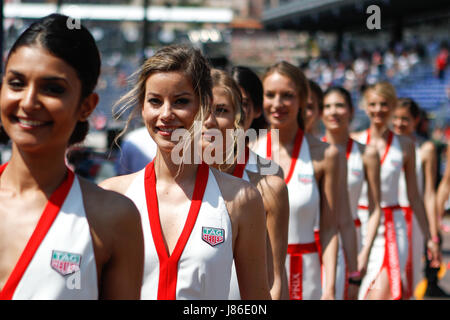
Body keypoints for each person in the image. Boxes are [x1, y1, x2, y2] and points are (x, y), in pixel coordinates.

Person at [100, 45, 271, 300]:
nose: (166, 114)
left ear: (204, 106)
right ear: (142, 107)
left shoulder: (241, 199)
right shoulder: (112, 196)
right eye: (155, 101)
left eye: (181, 101)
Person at [0, 14, 144, 300]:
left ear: (86, 106)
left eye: (53, 89)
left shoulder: (113, 218)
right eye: (16, 83)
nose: (28, 102)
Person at [251, 61, 339, 300]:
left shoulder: (325, 155)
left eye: (287, 96)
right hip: (257, 276)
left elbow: (330, 228)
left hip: (306, 276)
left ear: (302, 99)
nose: (277, 104)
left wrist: (330, 288)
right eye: (270, 95)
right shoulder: (246, 150)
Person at [203, 68, 289, 300]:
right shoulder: (177, 183)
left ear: (238, 117)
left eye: (221, 110)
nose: (209, 120)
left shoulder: (268, 183)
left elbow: (276, 278)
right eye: (203, 109)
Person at [352, 81, 439, 300]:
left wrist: (430, 237)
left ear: (391, 107)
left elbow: (415, 197)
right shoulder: (354, 141)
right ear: (365, 106)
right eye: (373, 104)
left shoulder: (405, 145)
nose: (378, 109)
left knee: (382, 292)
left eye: (384, 104)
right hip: (356, 225)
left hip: (391, 227)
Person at [321, 86, 383, 300]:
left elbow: (376, 208)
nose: (333, 112)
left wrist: (364, 252)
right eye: (327, 106)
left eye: (339, 105)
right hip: (317, 241)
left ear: (351, 110)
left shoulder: (367, 154)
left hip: (353, 239)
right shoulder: (312, 153)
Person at [392, 97, 445, 298]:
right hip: (387, 220)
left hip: (414, 222)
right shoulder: (382, 146)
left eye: (405, 119)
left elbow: (429, 193)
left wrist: (433, 233)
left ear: (415, 120)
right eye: (395, 118)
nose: (399, 123)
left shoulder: (426, 149)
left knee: (408, 280)